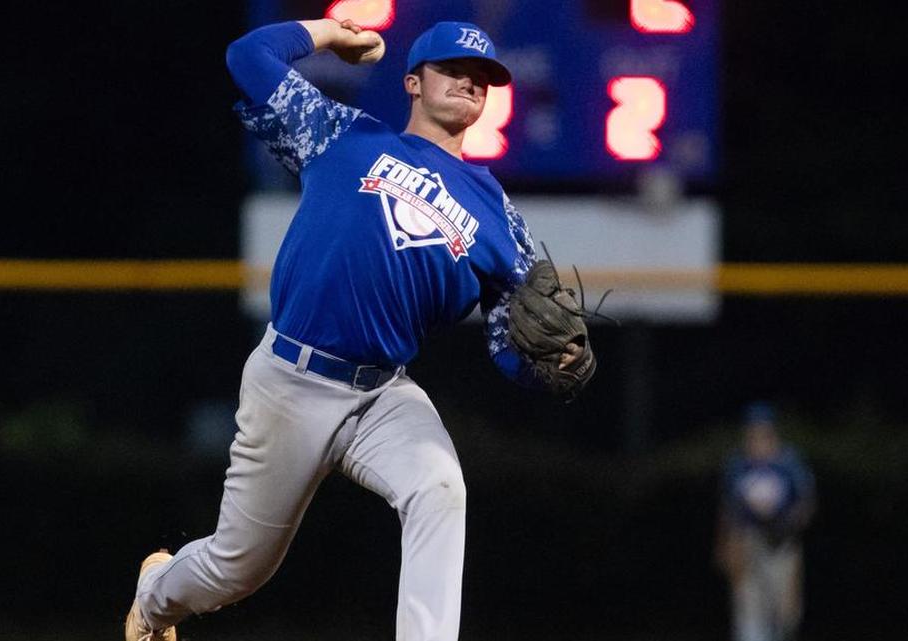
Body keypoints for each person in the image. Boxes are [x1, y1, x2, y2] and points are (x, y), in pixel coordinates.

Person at [122, 16, 595, 641]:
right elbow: (247, 56)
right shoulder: (341, 133)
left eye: (481, 77)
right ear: (412, 82)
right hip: (291, 378)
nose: (469, 82)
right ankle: (155, 599)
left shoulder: (499, 217)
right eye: (452, 69)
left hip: (382, 396)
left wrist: (549, 369)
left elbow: (510, 342)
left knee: (439, 487)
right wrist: (327, 33)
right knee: (239, 569)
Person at [715, 403, 816, 641]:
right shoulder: (737, 464)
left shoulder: (790, 462)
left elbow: (807, 504)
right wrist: (724, 544)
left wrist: (788, 521)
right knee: (748, 612)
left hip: (782, 544)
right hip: (747, 541)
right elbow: (727, 509)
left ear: (772, 433)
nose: (756, 438)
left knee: (785, 616)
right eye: (751, 432)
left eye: (762, 432)